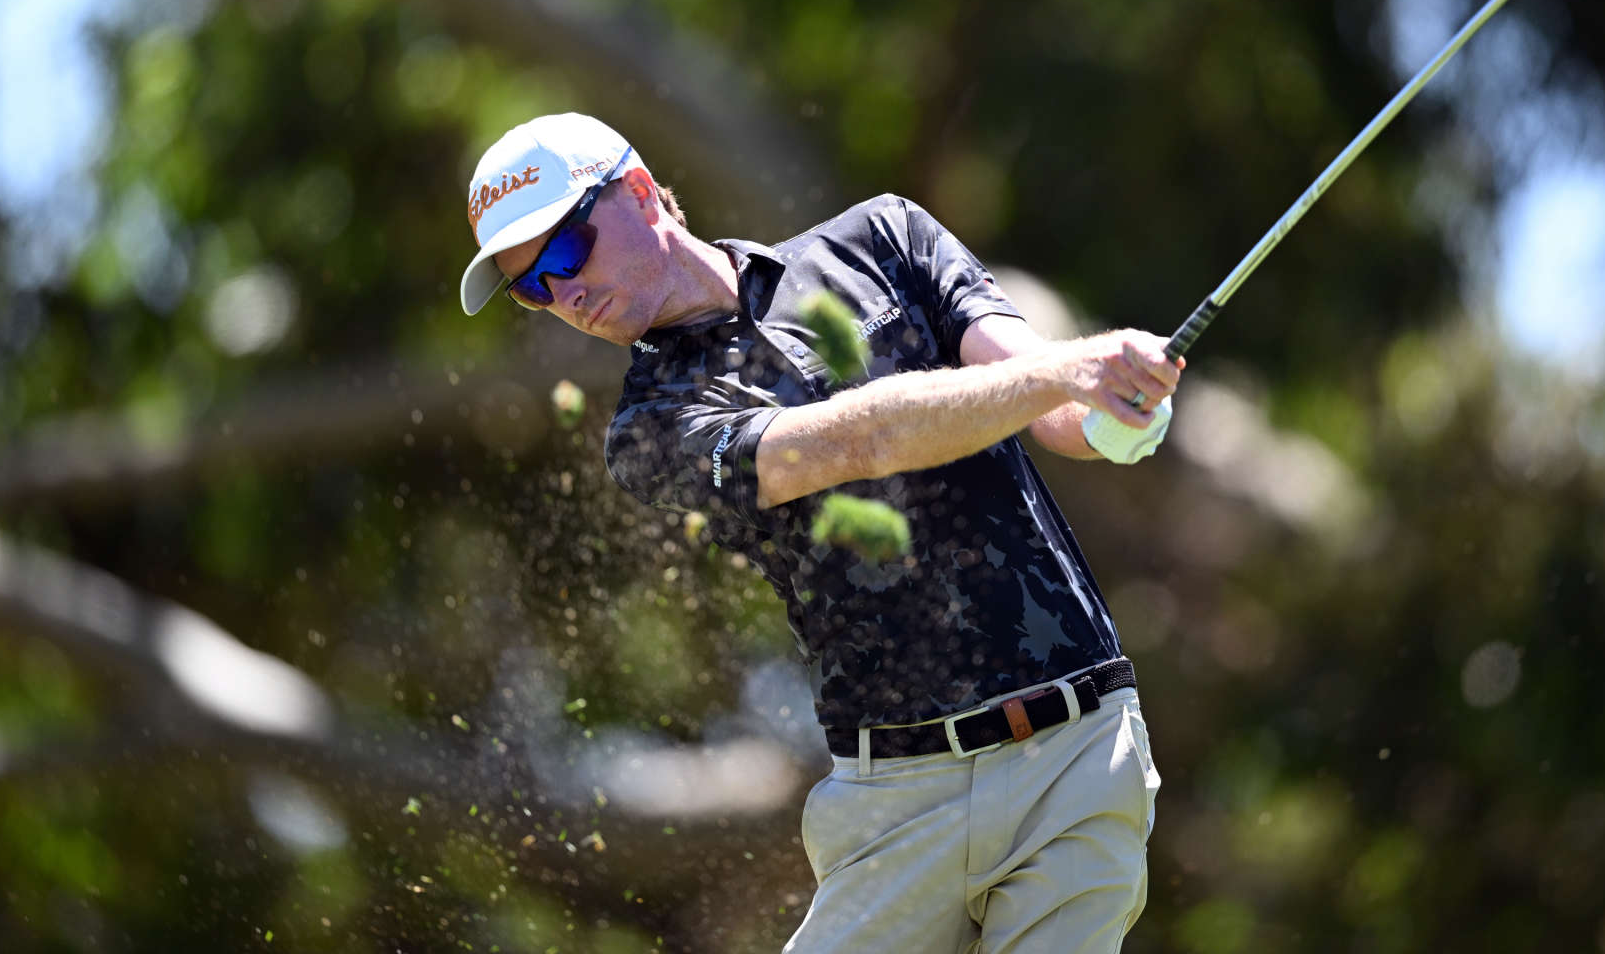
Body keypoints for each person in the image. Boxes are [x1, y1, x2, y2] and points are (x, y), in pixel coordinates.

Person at [458, 112, 1183, 953]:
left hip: (1079, 752)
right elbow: (855, 442)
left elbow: (1045, 398)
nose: (563, 294)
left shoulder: (883, 238)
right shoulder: (651, 428)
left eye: (565, 252)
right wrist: (1070, 372)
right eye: (531, 287)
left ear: (644, 194)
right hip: (897, 799)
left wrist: (1114, 410)